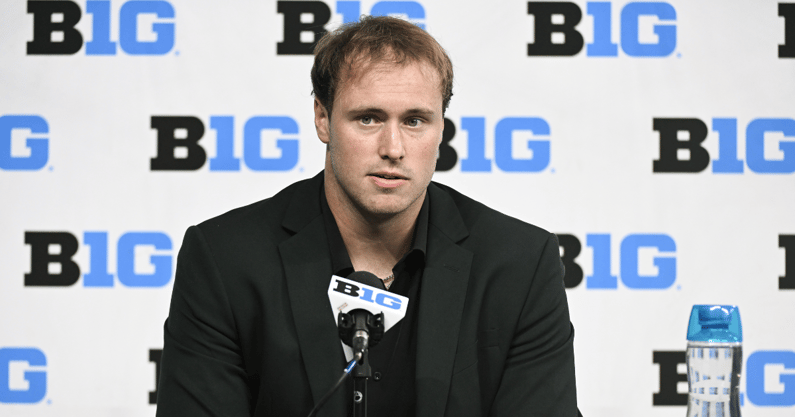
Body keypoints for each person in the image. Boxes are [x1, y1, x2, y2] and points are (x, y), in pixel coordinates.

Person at [156, 15, 580, 417]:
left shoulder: (520, 264)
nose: (393, 148)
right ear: (323, 118)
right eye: (368, 118)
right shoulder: (225, 259)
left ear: (442, 129)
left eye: (415, 121)